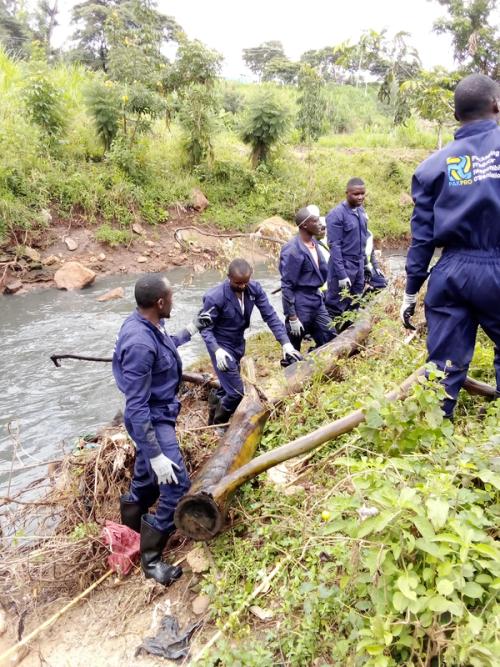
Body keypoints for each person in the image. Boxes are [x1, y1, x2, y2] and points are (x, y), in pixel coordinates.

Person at [401, 73, 500, 418]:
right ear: (496, 105)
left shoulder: (432, 166)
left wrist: (410, 291)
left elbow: (423, 237)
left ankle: (433, 435)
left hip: (451, 272)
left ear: (456, 116)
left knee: (443, 364)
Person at [112, 274, 211, 585]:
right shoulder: (139, 343)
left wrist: (191, 330)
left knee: (144, 480)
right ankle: (151, 560)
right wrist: (155, 452)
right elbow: (136, 407)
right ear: (159, 302)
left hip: (157, 414)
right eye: (171, 297)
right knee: (176, 484)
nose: (173, 301)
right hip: (151, 421)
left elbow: (165, 348)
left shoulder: (147, 323)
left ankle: (129, 534)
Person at [201, 258, 302, 425]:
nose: (242, 287)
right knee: (236, 392)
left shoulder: (254, 289)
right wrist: (216, 350)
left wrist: (286, 344)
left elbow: (270, 315)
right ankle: (218, 424)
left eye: (245, 283)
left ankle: (213, 408)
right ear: (228, 277)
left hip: (238, 343)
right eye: (238, 283)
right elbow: (205, 328)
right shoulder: (214, 297)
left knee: (229, 384)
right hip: (221, 347)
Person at [280, 205, 336, 351]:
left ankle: (315, 357)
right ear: (305, 225)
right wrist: (292, 316)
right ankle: (289, 369)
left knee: (330, 335)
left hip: (316, 299)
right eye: (316, 221)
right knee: (294, 343)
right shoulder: (292, 250)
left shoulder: (315, 244)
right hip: (300, 302)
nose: (320, 224)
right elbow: (287, 284)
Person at [325, 178, 369, 319]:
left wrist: (366, 263)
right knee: (336, 304)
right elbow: (334, 246)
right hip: (343, 265)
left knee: (355, 301)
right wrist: (342, 274)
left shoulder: (361, 212)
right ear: (347, 193)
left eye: (362, 193)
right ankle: (331, 338)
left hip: (359, 264)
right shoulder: (336, 214)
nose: (360, 197)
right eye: (356, 194)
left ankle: (348, 333)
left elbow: (364, 240)